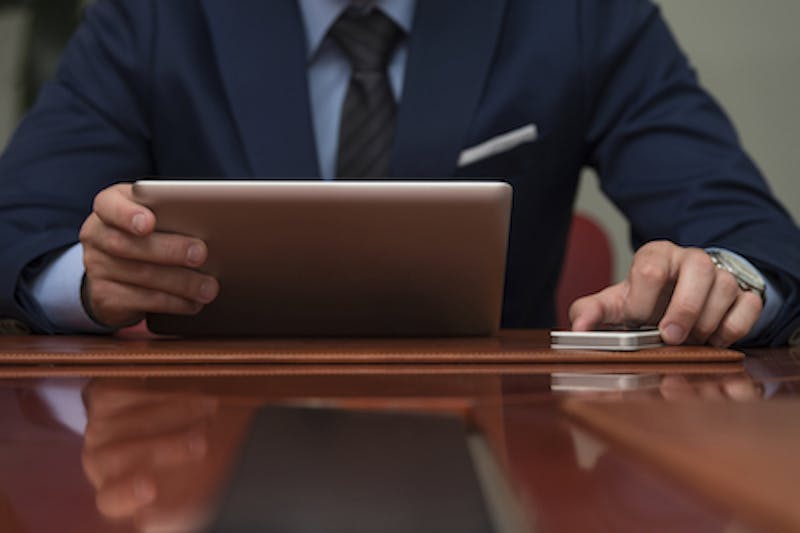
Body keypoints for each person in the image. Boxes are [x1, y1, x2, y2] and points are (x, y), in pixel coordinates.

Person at [0, 0, 798, 346]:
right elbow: (16, 224)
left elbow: (747, 233)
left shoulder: (578, 15)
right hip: (199, 443)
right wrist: (90, 279)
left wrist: (725, 278)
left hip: (499, 442)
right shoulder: (152, 18)